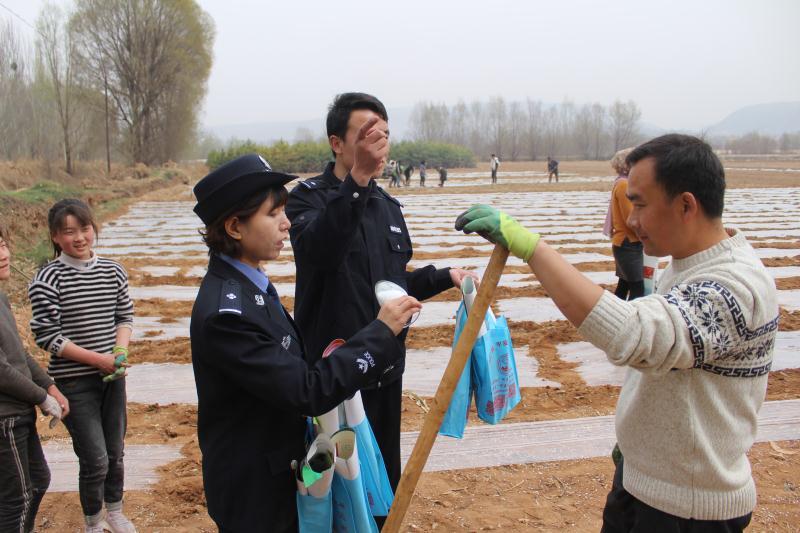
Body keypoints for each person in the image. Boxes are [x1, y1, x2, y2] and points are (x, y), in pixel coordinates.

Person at [456, 134, 776, 532]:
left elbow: (633, 334)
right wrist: (639, 447)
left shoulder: (733, 287)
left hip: (687, 508)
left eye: (639, 203)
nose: (633, 219)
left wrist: (533, 249)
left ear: (686, 205)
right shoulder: (683, 263)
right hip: (646, 482)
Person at [190, 154, 421, 532]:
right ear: (234, 226)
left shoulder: (251, 286)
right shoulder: (226, 315)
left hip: (280, 468)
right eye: (273, 214)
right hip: (255, 491)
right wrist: (379, 333)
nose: (287, 223)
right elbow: (306, 390)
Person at [285, 92, 477, 516]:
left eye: (384, 134)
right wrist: (355, 182)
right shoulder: (308, 199)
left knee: (380, 484)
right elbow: (322, 252)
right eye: (367, 133)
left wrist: (443, 277)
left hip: (384, 373)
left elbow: (391, 284)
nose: (379, 143)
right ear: (338, 142)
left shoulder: (388, 206)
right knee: (331, 490)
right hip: (333, 377)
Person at [28, 199, 137, 533]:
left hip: (112, 378)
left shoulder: (113, 270)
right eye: (68, 231)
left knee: (115, 452)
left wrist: (119, 351)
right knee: (95, 458)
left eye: (85, 228)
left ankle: (115, 511)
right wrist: (97, 359)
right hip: (74, 382)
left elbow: (124, 316)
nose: (79, 237)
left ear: (94, 229)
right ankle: (93, 522)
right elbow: (48, 337)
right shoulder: (47, 279)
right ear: (55, 237)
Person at [0, 224, 68, 532]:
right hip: (5, 418)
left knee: (38, 482)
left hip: (19, 411)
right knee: (18, 497)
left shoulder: (1, 298)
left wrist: (49, 385)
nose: (3, 255)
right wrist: (40, 397)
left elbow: (20, 354)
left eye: (2, 245)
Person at [603, 148, 644, 300]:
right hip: (628, 243)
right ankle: (633, 322)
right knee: (638, 289)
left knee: (624, 286)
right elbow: (631, 218)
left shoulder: (622, 182)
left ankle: (611, 320)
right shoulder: (623, 185)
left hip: (625, 243)